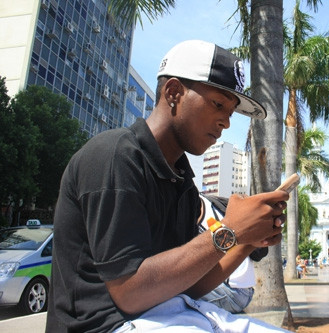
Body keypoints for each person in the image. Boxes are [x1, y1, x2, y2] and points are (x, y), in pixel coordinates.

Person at [46, 40, 290, 332]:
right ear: (174, 92)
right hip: (108, 326)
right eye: (218, 104)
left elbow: (190, 283)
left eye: (231, 110)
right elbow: (130, 292)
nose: (226, 121)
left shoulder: (182, 183)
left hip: (168, 315)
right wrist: (229, 231)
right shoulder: (114, 156)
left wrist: (245, 240)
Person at [198, 194, 262, 314]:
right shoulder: (212, 203)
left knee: (165, 297)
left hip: (231, 292)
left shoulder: (195, 211)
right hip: (244, 289)